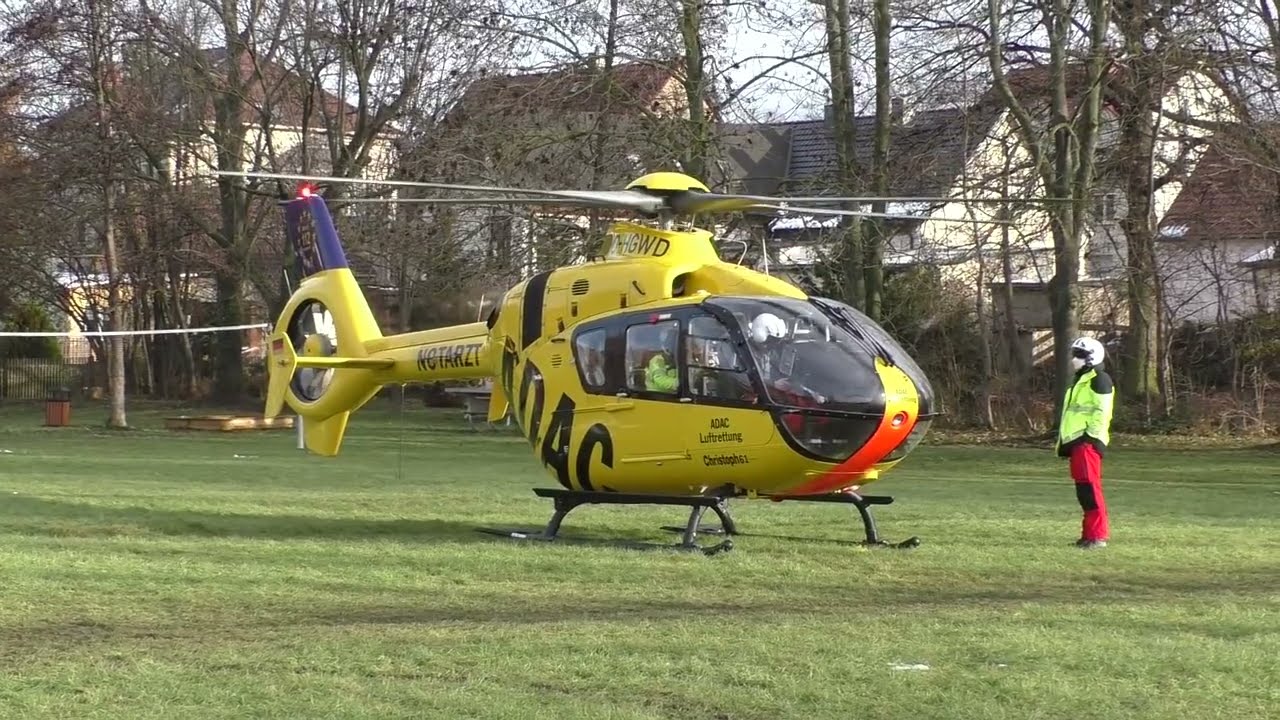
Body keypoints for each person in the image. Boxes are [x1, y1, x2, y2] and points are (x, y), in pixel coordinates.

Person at [1055, 336, 1115, 549]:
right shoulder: (1083, 379)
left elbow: (1102, 412)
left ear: (1090, 358)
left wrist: (1089, 439)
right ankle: (1089, 534)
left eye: (1079, 355)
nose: (1074, 360)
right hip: (1078, 444)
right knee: (1084, 492)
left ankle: (1097, 536)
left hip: (1086, 443)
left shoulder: (1099, 379)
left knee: (1091, 490)